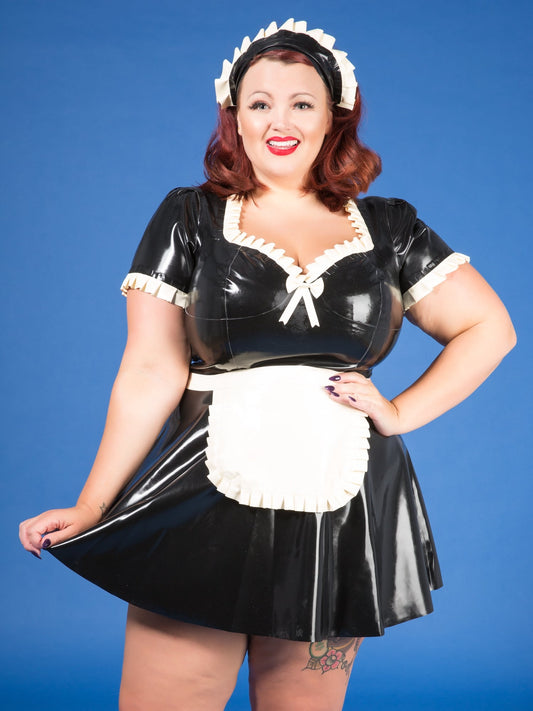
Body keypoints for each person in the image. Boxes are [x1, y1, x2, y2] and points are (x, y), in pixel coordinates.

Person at [19, 19, 515, 711]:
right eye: (259, 103)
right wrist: (93, 503)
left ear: (334, 116)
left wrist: (399, 412)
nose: (279, 121)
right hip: (202, 489)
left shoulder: (390, 227)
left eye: (301, 103)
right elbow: (150, 370)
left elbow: (488, 328)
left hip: (342, 499)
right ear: (235, 117)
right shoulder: (190, 215)